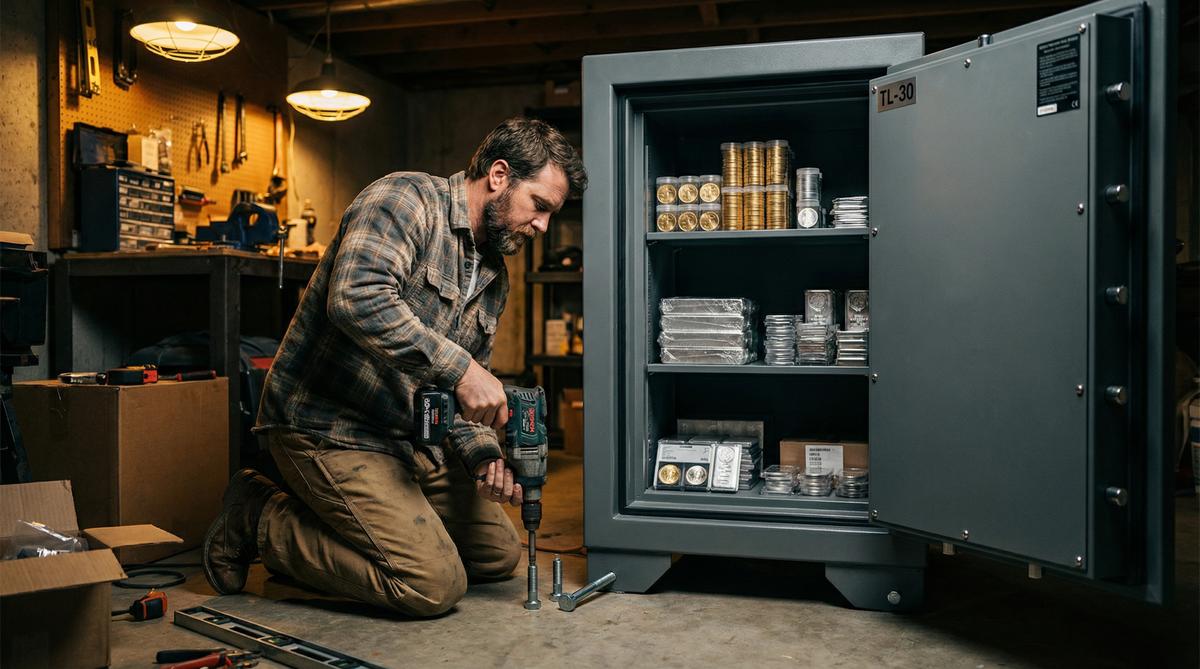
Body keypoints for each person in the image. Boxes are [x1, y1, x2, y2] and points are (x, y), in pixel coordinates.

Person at [201, 118, 587, 617]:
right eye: (540, 207)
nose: (542, 227)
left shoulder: (493, 274)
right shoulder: (405, 200)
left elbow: (469, 398)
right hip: (328, 426)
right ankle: (257, 516)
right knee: (432, 584)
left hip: (404, 438)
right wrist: (462, 369)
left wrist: (485, 455)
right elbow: (356, 298)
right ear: (498, 175)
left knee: (496, 556)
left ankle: (359, 535)